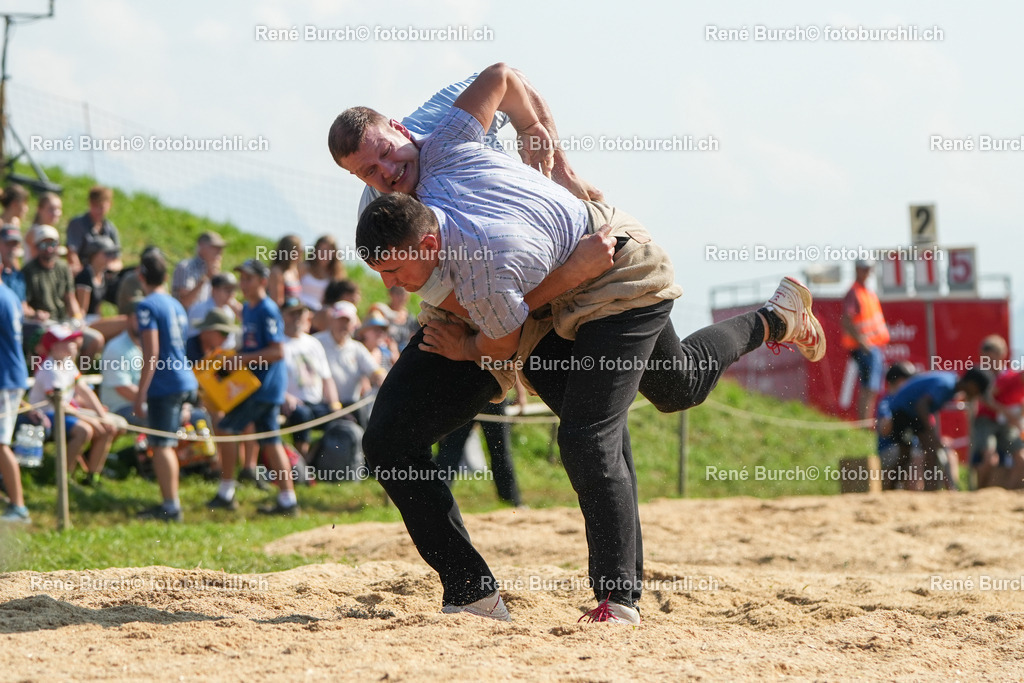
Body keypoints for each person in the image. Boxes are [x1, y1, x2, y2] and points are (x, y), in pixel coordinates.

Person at [332, 63, 825, 624]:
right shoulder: (387, 207)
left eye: (387, 154)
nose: (386, 171)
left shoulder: (445, 133)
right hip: (505, 292)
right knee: (392, 440)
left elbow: (504, 76)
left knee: (636, 407)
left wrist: (553, 155)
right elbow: (505, 316)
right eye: (368, 171)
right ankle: (472, 593)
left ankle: (619, 602)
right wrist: (466, 331)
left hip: (601, 272)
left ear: (400, 126)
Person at [206, 259, 296, 515]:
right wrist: (233, 355)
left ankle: (226, 491)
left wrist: (240, 359)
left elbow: (277, 351)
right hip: (258, 386)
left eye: (248, 279)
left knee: (225, 428)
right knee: (271, 439)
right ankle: (288, 501)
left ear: (262, 282)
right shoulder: (248, 309)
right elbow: (252, 346)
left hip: (263, 387)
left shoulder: (267, 309)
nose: (243, 284)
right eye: (241, 279)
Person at [132, 250, 198, 521]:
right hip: (184, 377)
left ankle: (171, 506)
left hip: (165, 382)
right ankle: (171, 502)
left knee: (162, 444)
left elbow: (152, 353)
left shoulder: (147, 306)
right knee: (166, 443)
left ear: (140, 276)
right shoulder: (176, 304)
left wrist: (140, 393)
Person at [27, 324, 116, 485]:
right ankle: (63, 477)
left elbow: (84, 391)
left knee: (108, 429)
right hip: (46, 415)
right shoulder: (49, 368)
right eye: (69, 341)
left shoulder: (68, 363)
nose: (75, 344)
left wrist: (102, 417)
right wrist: (91, 418)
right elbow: (59, 405)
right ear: (55, 346)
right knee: (84, 430)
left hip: (65, 412)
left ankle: (92, 476)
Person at [889, 369, 990, 491]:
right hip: (903, 412)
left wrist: (931, 435)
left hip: (910, 412)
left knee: (921, 451)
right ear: (972, 385)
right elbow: (921, 405)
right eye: (977, 391)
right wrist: (931, 433)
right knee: (912, 452)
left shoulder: (951, 384)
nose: (976, 395)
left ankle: (926, 488)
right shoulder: (946, 386)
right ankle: (922, 489)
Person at [23, 224, 104, 360]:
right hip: (44, 324)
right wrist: (35, 314)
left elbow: (70, 298)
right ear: (36, 247)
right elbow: (24, 305)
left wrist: (78, 318)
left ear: (58, 245)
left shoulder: (63, 267)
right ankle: (65, 375)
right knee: (67, 344)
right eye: (43, 245)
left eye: (52, 244)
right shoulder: (29, 271)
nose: (49, 248)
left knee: (97, 339)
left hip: (63, 321)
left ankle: (76, 374)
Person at [281, 297, 342, 461]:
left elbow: (326, 378)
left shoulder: (313, 343)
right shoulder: (278, 344)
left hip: (316, 402)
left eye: (300, 313)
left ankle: (314, 459)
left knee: (341, 419)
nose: (297, 318)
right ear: (282, 316)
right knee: (302, 415)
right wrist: (284, 396)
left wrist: (335, 404)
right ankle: (301, 463)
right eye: (292, 314)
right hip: (292, 403)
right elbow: (270, 377)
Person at [314, 301, 384, 427]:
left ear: (354, 324)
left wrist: (380, 378)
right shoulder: (316, 342)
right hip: (323, 405)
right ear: (332, 320)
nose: (344, 325)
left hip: (351, 405)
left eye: (347, 321)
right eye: (340, 320)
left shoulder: (357, 348)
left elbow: (374, 370)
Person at [841, 259, 890, 421]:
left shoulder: (868, 293)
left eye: (869, 269)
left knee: (873, 387)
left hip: (874, 346)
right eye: (864, 269)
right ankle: (864, 424)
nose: (867, 272)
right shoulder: (854, 292)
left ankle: (866, 424)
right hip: (865, 347)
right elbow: (847, 320)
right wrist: (862, 342)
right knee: (868, 387)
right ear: (857, 270)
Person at [0, 278, 30, 522]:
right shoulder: (8, 294)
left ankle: (18, 506)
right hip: (10, 375)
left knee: (0, 444)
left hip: (5, 378)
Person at [100, 296, 145, 426]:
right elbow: (123, 388)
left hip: (140, 403)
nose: (144, 322)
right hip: (120, 408)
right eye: (138, 317)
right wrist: (156, 401)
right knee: (160, 417)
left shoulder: (147, 345)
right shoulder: (116, 347)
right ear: (128, 318)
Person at [75, 236, 127, 340]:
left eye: (113, 254)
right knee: (126, 321)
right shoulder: (85, 276)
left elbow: (98, 307)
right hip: (84, 323)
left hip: (94, 320)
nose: (111, 257)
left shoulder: (103, 275)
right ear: (94, 254)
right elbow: (81, 310)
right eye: (107, 253)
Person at [876, 362, 916, 490]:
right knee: (916, 456)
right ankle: (915, 495)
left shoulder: (913, 401)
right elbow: (884, 430)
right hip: (889, 449)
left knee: (946, 452)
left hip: (910, 448)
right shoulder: (887, 402)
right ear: (900, 381)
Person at [65, 186, 121, 275]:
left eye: (101, 207)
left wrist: (110, 268)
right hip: (82, 273)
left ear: (109, 204)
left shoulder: (111, 229)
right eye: (94, 206)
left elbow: (117, 260)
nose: (97, 211)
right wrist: (84, 275)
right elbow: (72, 253)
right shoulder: (77, 224)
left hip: (103, 276)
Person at [185, 272, 239, 363]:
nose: (231, 294)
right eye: (227, 290)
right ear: (214, 290)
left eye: (233, 290)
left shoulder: (230, 311)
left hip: (222, 358)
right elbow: (197, 341)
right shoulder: (200, 309)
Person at [172, 231, 225, 311]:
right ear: (201, 246)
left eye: (221, 248)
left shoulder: (215, 272)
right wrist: (206, 278)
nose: (219, 252)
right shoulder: (186, 267)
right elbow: (185, 302)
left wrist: (219, 283)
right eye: (215, 247)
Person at [299, 234, 346, 310]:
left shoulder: (336, 276)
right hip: (297, 308)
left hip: (319, 314)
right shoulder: (304, 267)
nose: (324, 254)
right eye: (322, 250)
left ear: (334, 254)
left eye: (328, 251)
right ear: (315, 251)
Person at [370, 286, 419, 352]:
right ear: (390, 294)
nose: (401, 297)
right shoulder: (381, 310)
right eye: (398, 293)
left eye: (405, 294)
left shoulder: (410, 319)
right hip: (384, 350)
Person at [268, 234, 303, 306]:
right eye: (299, 250)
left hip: (293, 313)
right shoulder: (277, 272)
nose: (301, 252)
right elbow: (277, 302)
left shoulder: (294, 270)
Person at [0, 225, 26, 307]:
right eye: (8, 244)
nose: (12, 249)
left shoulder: (19, 276)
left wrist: (35, 314)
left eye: (15, 244)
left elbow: (23, 305)